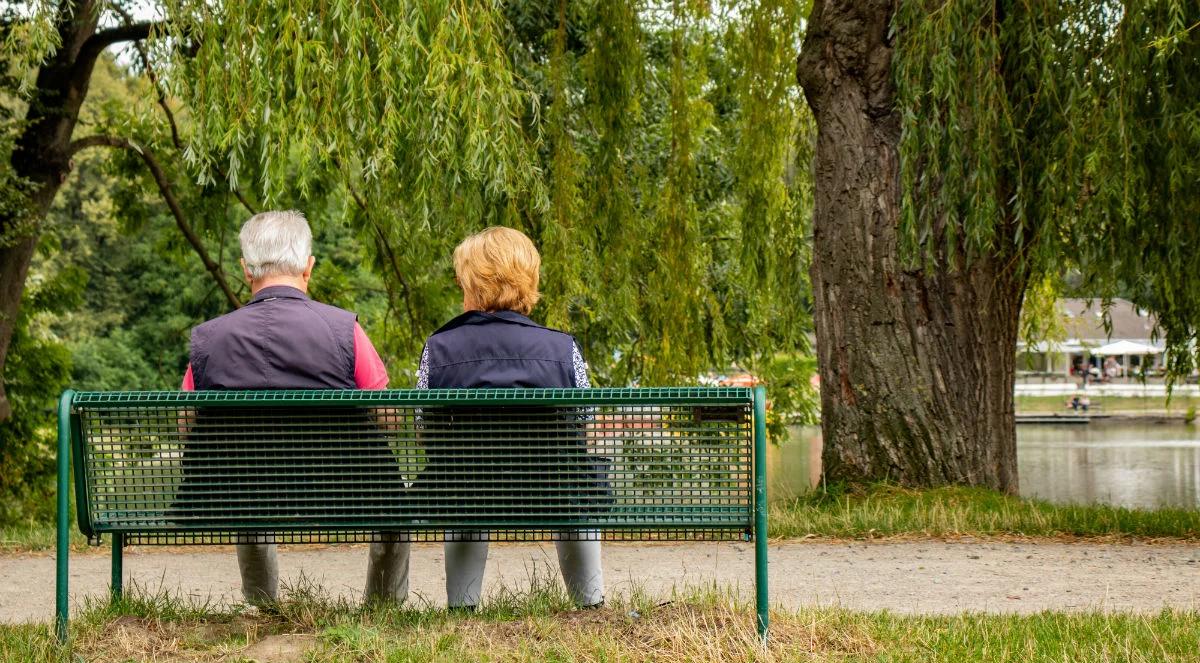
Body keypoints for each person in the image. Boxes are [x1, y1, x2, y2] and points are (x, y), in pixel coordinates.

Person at [180, 210, 409, 607]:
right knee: (394, 504)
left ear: (246, 270)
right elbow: (389, 419)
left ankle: (262, 603)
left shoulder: (210, 340)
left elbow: (186, 426)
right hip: (340, 492)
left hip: (237, 493)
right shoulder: (344, 330)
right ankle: (383, 606)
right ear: (308, 267)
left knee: (245, 484)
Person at [416, 226, 604, 610]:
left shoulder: (438, 349)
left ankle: (462, 607)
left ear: (470, 282)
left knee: (458, 484)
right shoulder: (562, 348)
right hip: (551, 492)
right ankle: (590, 605)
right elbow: (584, 420)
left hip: (466, 492)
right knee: (578, 482)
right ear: (528, 281)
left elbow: (424, 427)